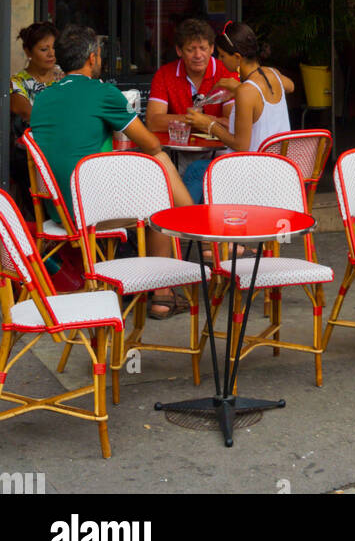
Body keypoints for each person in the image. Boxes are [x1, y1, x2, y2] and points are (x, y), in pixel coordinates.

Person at [30, 25, 192, 318]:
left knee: (154, 179)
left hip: (56, 209)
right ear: (92, 58)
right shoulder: (103, 93)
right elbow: (152, 143)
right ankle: (163, 294)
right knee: (159, 196)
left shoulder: (42, 98)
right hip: (88, 211)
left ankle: (192, 226)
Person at [185, 21, 294, 200]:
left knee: (195, 171)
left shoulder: (246, 91)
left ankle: (189, 226)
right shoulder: (273, 74)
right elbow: (291, 86)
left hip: (251, 173)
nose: (219, 61)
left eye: (221, 56)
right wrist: (239, 89)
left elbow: (241, 145)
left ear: (237, 57)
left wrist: (209, 124)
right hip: (278, 170)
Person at [145, 18, 239, 133]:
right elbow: (153, 122)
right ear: (179, 51)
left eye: (203, 48)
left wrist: (186, 121)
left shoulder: (227, 72)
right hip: (175, 147)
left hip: (220, 148)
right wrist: (198, 121)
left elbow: (231, 124)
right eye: (191, 50)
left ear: (212, 48)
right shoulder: (164, 74)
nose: (198, 55)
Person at [9, 21, 61, 209]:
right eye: (44, 49)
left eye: (54, 48)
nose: (51, 54)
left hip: (62, 148)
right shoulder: (18, 81)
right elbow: (21, 108)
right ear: (28, 52)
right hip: (32, 155)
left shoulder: (63, 77)